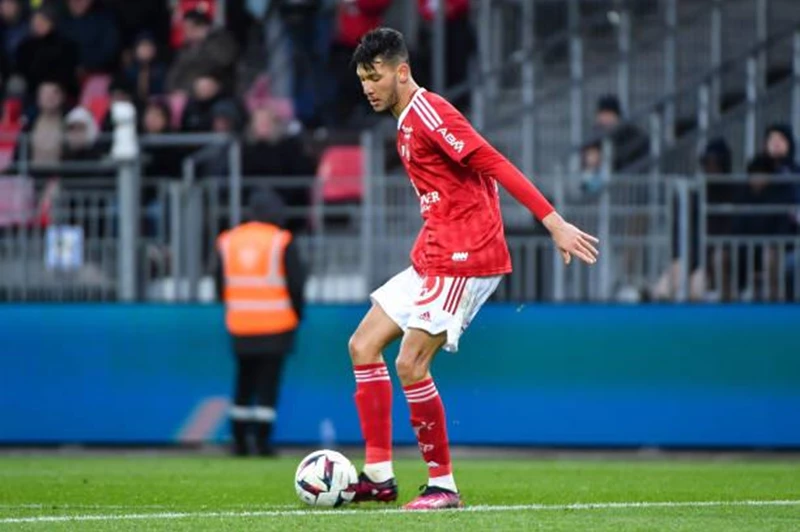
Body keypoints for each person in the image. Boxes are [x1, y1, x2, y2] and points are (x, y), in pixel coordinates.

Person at [347, 28, 599, 510]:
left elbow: (493, 162)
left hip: (465, 255)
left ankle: (443, 486)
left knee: (410, 362)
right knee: (362, 345)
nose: (368, 88)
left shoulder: (430, 113)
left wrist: (554, 222)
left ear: (402, 71)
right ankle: (378, 477)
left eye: (375, 77)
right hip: (435, 252)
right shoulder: (404, 122)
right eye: (363, 79)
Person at [215, 189, 307, 457]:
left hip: (240, 324)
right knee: (268, 384)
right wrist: (297, 314)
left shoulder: (229, 240)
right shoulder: (280, 240)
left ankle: (239, 442)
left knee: (243, 381)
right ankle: (263, 443)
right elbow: (296, 283)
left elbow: (219, 282)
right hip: (277, 325)